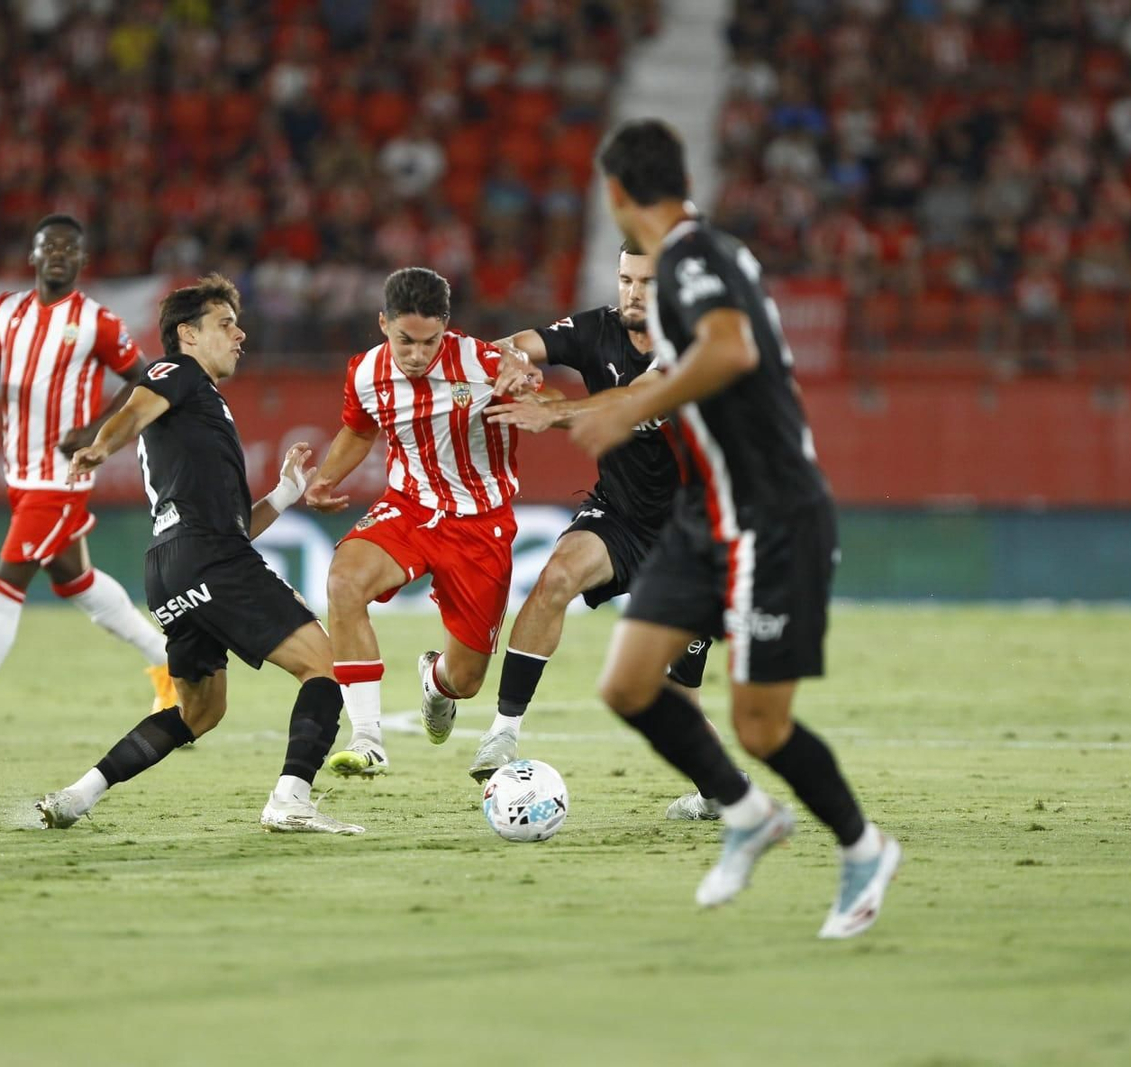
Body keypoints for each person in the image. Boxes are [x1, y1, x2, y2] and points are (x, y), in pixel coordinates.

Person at [570, 119, 900, 938]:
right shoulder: (701, 258)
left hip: (772, 515)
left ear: (615, 193)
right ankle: (747, 813)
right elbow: (684, 367)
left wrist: (627, 414)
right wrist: (580, 412)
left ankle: (862, 848)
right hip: (706, 514)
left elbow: (730, 351)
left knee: (760, 725)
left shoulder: (692, 259)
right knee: (628, 683)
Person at [35, 275, 364, 834]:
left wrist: (284, 493)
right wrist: (100, 445)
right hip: (207, 559)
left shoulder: (198, 412)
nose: (240, 334)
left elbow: (236, 527)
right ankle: (290, 800)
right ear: (187, 334)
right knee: (327, 667)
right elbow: (135, 408)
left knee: (199, 712)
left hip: (171, 567)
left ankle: (76, 796)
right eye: (225, 323)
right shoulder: (178, 373)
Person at [0, 215, 173, 755]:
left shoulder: (96, 321)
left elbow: (148, 379)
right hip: (20, 475)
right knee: (78, 582)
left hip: (60, 479)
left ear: (81, 261)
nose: (58, 254)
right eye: (50, 245)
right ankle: (170, 666)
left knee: (3, 594)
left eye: (70, 247)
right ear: (33, 254)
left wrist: (97, 430)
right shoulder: (4, 312)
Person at [474, 246, 724, 820]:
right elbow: (519, 344)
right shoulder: (598, 329)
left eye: (649, 282)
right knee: (555, 576)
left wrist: (552, 413)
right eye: (626, 279)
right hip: (621, 516)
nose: (634, 292)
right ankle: (503, 733)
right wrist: (509, 362)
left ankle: (721, 790)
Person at [304, 267, 538, 777]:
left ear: (447, 328)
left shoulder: (484, 364)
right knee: (343, 582)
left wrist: (525, 380)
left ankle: (436, 681)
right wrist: (324, 478)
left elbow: (539, 386)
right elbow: (359, 430)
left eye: (429, 342)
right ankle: (367, 738)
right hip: (409, 507)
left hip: (481, 526)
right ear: (383, 323)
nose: (416, 354)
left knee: (467, 678)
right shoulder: (365, 371)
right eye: (404, 340)